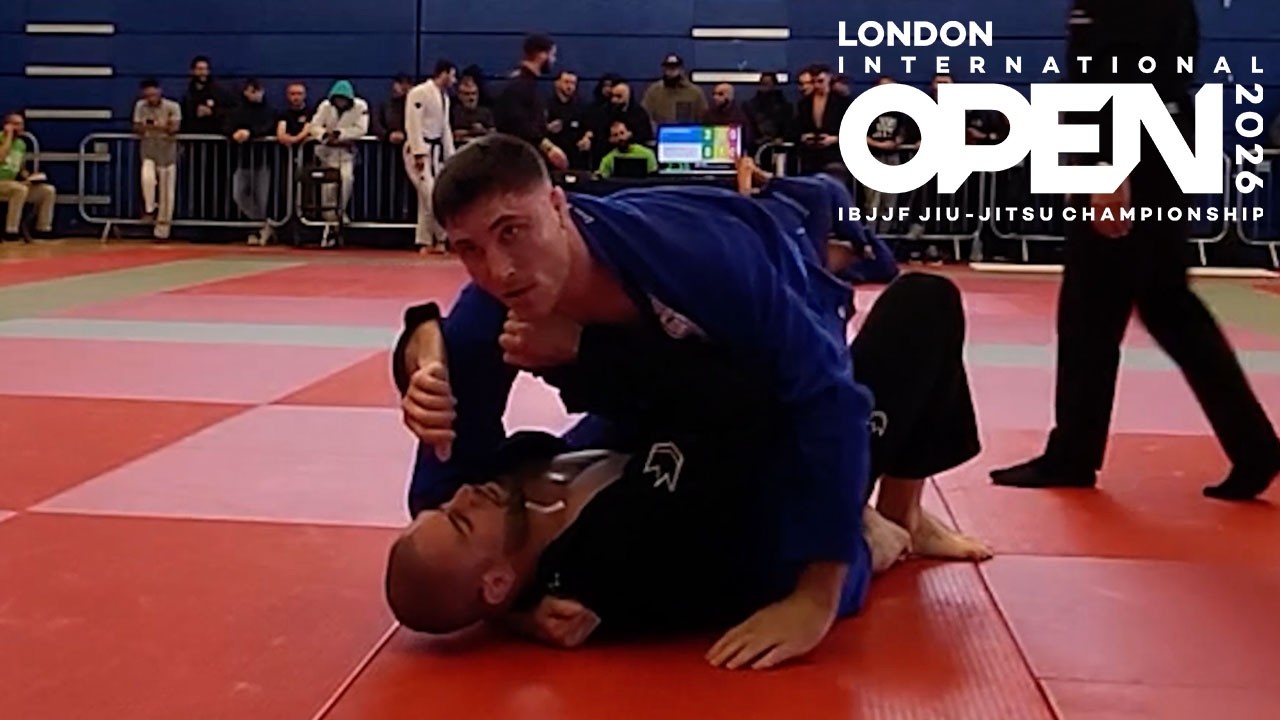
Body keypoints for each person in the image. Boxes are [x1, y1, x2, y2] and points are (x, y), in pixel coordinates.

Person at [389, 133, 985, 668]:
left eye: (511, 232)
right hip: (685, 417)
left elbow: (828, 401)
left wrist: (817, 594)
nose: (497, 271)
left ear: (557, 206)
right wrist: (423, 354)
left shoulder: (702, 260)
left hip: (769, 311)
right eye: (468, 249)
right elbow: (440, 530)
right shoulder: (494, 306)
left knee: (917, 306)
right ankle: (888, 520)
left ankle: (902, 516)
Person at [990, 0, 1280, 500]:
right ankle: (1251, 446)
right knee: (1160, 308)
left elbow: (1127, 80)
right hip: (1145, 149)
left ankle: (1076, 453)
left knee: (1098, 312)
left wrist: (1108, 169)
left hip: (1140, 155)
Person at [405, 60, 458, 253]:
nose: (454, 80)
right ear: (443, 73)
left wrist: (450, 155)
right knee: (430, 195)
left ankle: (425, 241)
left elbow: (445, 128)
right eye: (452, 75)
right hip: (419, 150)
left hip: (435, 151)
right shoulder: (419, 93)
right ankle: (441, 238)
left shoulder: (444, 97)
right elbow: (413, 122)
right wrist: (418, 152)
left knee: (425, 197)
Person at [493, 34, 568, 170]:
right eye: (552, 55)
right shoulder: (520, 85)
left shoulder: (524, 84)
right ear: (541, 55)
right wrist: (548, 147)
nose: (554, 60)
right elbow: (517, 123)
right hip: (518, 161)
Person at [310, 80, 369, 238]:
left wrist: (339, 135)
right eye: (337, 99)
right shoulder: (325, 106)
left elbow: (361, 129)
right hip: (327, 153)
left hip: (346, 152)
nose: (340, 102)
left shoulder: (360, 106)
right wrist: (325, 136)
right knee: (328, 187)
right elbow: (314, 126)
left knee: (347, 179)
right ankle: (330, 220)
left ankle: (340, 212)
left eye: (343, 99)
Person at [132, 79, 181, 241]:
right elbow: (137, 127)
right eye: (148, 95)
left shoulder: (172, 106)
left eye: (154, 93)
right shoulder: (140, 106)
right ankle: (149, 208)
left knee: (167, 194)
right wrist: (161, 127)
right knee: (147, 178)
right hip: (148, 152)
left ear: (160, 91)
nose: (151, 97)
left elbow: (174, 128)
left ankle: (162, 231)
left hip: (168, 155)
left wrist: (153, 126)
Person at [0, 112, 56, 241]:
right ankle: (11, 230)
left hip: (12, 183)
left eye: (21, 124)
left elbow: (20, 167)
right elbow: (1, 157)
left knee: (47, 191)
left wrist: (30, 177)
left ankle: (43, 228)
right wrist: (8, 137)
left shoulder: (21, 145)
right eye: (16, 124)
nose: (20, 127)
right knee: (19, 189)